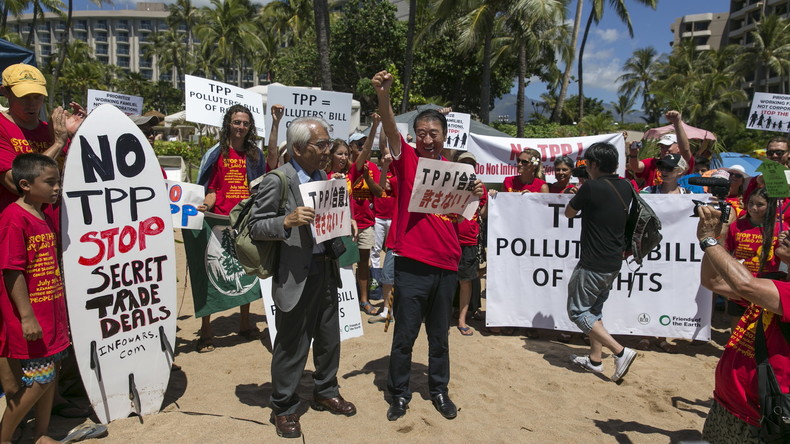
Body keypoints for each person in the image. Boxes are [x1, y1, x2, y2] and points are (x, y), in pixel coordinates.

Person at [372, 70, 484, 421]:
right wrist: (384, 96)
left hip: (447, 266)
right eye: (422, 133)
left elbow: (465, 219)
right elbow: (391, 129)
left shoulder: (457, 172)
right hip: (412, 266)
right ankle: (399, 394)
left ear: (445, 135)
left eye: (434, 133)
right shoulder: (408, 161)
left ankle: (439, 390)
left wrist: (476, 195)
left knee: (440, 338)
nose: (428, 138)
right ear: (415, 137)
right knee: (404, 337)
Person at [248, 117, 355, 439]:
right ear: (297, 149)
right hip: (294, 274)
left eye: (327, 143)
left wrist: (344, 222)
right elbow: (256, 226)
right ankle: (284, 406)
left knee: (328, 337)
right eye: (320, 145)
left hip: (324, 269)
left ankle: (325, 390)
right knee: (291, 343)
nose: (328, 150)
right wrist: (287, 220)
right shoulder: (278, 180)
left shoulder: (323, 177)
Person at [696, 205, 790, 443]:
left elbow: (744, 285)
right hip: (726, 405)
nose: (786, 233)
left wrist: (708, 241)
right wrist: (720, 236)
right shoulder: (776, 281)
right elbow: (713, 281)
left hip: (761, 418)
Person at [0, 154, 70, 444]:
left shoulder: (43, 214)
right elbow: (11, 271)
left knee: (49, 377)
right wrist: (26, 316)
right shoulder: (13, 219)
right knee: (38, 380)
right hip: (30, 318)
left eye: (58, 182)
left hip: (51, 313)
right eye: (50, 183)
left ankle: (41, 434)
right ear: (25, 185)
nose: (57, 189)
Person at [194, 104, 265, 352]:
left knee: (246, 273)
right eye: (237, 122)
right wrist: (204, 205)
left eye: (245, 123)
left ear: (250, 126)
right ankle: (206, 331)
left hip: (245, 222)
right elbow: (211, 190)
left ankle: (245, 323)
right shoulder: (216, 155)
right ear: (228, 124)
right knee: (210, 270)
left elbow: (259, 189)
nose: (241, 127)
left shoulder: (255, 155)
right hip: (218, 222)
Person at [564, 142, 637, 382]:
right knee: (594, 311)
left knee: (577, 312)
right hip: (613, 261)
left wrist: (581, 193)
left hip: (592, 261)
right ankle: (595, 360)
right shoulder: (626, 186)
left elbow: (569, 212)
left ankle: (620, 351)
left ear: (594, 164)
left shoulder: (591, 187)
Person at [0, 64, 85, 215]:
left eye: (37, 97)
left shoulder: (53, 130)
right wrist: (58, 143)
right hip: (18, 229)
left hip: (55, 228)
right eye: (24, 97)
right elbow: (15, 183)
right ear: (5, 92)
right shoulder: (2, 127)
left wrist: (76, 135)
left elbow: (77, 177)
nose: (32, 104)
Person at [724, 187, 787, 330]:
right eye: (751, 203)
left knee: (759, 328)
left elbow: (785, 257)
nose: (753, 207)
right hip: (740, 282)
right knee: (737, 327)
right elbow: (727, 253)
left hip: (766, 285)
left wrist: (785, 240)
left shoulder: (779, 228)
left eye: (760, 204)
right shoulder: (736, 226)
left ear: (770, 205)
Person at [347, 117, 384, 316]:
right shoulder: (348, 169)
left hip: (366, 224)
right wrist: (375, 128)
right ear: (350, 147)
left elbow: (379, 192)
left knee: (363, 263)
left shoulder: (371, 167)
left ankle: (364, 299)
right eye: (358, 145)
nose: (362, 148)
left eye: (364, 145)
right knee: (343, 262)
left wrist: (368, 179)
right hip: (346, 225)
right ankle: (345, 299)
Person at [455, 152, 486, 336]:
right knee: (446, 281)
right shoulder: (448, 184)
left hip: (469, 241)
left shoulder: (479, 186)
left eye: (471, 164)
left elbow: (482, 214)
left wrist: (491, 197)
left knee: (466, 281)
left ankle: (462, 319)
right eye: (464, 163)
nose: (468, 167)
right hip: (448, 239)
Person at [628, 110, 693, 189]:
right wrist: (633, 154)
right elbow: (636, 167)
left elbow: (685, 150)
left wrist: (677, 123)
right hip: (653, 199)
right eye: (662, 146)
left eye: (668, 146)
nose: (665, 149)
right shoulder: (652, 162)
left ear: (678, 147)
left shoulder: (682, 162)